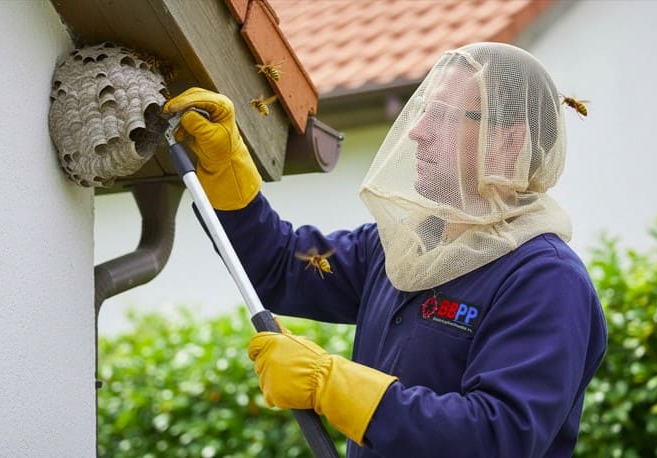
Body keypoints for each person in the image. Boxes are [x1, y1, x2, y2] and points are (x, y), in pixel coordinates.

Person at [164, 42, 608, 458]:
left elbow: (497, 435)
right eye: (422, 112)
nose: (416, 132)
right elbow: (281, 267)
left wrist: (331, 384)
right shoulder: (405, 245)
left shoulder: (546, 279)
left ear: (507, 144)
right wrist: (226, 171)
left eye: (443, 116)